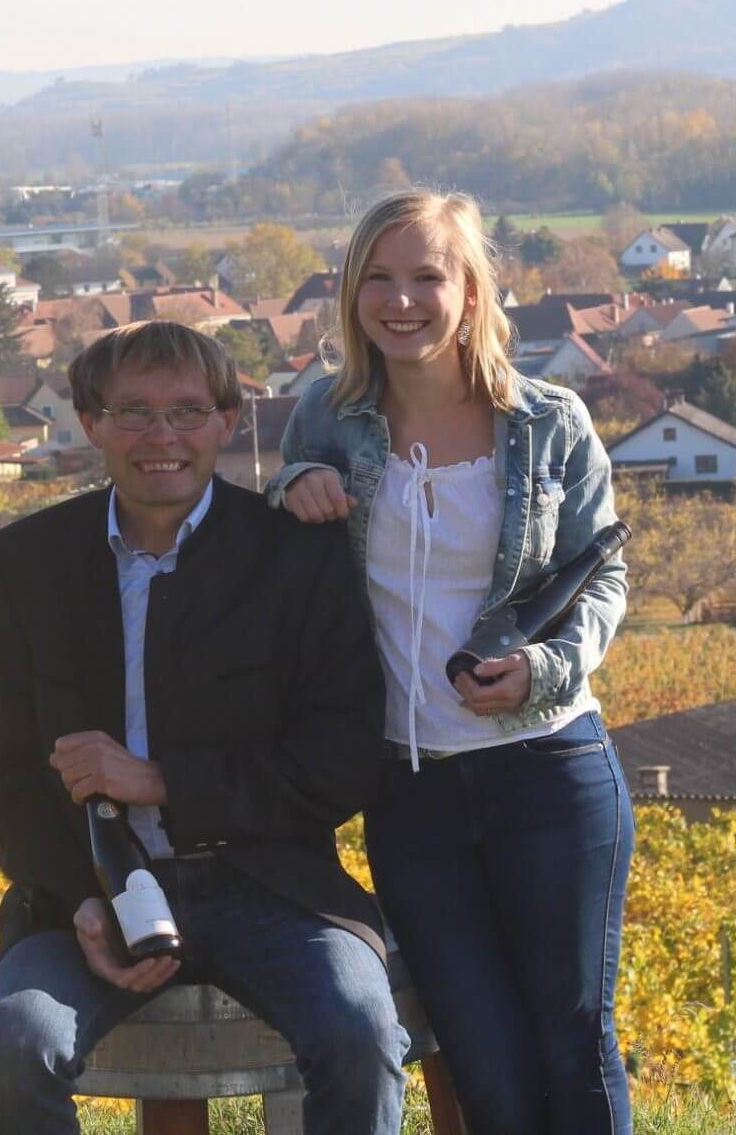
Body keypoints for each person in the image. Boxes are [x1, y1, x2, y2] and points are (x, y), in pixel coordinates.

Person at [0, 320, 407, 1135]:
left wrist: (162, 780)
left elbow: (342, 760)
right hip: (87, 894)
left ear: (227, 420)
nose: (161, 435)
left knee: (361, 1032)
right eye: (133, 411)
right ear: (91, 422)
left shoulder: (296, 554)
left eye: (187, 411)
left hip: (273, 887)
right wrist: (80, 902)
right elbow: (4, 777)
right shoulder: (22, 564)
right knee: (16, 1045)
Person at [271, 187, 635, 1135]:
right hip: (411, 790)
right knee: (482, 1063)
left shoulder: (550, 421)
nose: (401, 300)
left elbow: (602, 570)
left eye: (426, 276)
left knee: (573, 1045)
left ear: (471, 290)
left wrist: (546, 669)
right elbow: (287, 566)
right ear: (352, 294)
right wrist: (294, 486)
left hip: (551, 769)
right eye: (378, 278)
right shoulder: (324, 420)